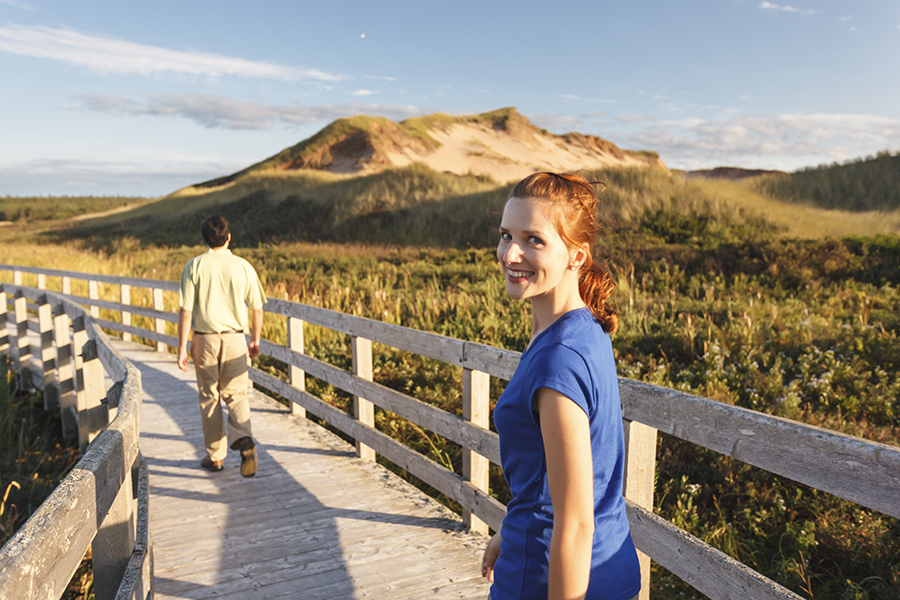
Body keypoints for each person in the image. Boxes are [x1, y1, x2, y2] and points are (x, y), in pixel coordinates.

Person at [481, 172, 641, 600]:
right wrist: (511, 531)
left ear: (576, 257)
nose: (510, 253)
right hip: (607, 566)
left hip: (552, 578)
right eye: (505, 235)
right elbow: (558, 480)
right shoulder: (584, 326)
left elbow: (575, 524)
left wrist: (525, 539)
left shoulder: (559, 359)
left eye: (534, 239)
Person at [177, 214, 267, 477]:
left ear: (204, 239)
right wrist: (255, 340)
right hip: (235, 337)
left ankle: (215, 457)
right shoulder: (242, 266)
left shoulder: (194, 266)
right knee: (236, 394)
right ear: (228, 237)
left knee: (209, 397)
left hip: (204, 338)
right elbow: (257, 308)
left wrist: (182, 348)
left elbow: (185, 311)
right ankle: (244, 439)